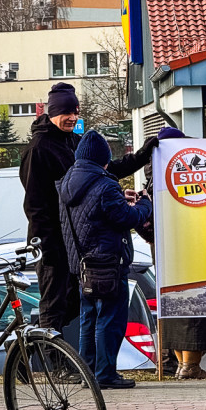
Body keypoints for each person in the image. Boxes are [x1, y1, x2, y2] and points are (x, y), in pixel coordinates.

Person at [21, 82, 157, 334]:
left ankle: (42, 349)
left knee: (75, 302)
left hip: (78, 240)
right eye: (66, 113)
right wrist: (46, 246)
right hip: (53, 243)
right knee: (55, 305)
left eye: (75, 112)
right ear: (51, 113)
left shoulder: (75, 141)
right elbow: (35, 205)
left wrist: (141, 156)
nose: (72, 118)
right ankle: (54, 366)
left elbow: (106, 170)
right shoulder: (38, 149)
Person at [57, 131, 154, 389]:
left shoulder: (68, 183)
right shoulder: (105, 185)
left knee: (88, 320)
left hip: (82, 264)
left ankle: (88, 372)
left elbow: (94, 213)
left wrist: (121, 200)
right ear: (103, 159)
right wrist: (145, 204)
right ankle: (105, 374)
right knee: (110, 321)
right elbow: (128, 219)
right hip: (108, 264)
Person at [146, 126, 206, 379]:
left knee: (174, 308)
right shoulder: (184, 177)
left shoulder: (154, 178)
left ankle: (182, 366)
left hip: (166, 254)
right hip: (191, 249)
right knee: (196, 307)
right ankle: (191, 366)